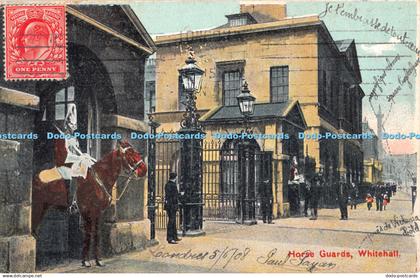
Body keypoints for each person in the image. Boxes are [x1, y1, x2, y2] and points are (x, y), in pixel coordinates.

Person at [54, 104, 96, 212]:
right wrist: (80, 158)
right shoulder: (63, 137)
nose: (74, 127)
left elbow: (77, 151)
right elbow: (66, 155)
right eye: (72, 125)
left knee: (89, 163)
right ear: (67, 124)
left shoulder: (74, 137)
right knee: (77, 171)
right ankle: (72, 202)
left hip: (73, 160)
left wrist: (85, 155)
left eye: (75, 125)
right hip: (64, 162)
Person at [164, 172, 181, 244]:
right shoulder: (173, 185)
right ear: (175, 177)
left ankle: (174, 237)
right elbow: (175, 196)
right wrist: (180, 194)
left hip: (168, 206)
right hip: (172, 206)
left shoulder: (167, 184)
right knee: (171, 221)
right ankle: (170, 238)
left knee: (172, 221)